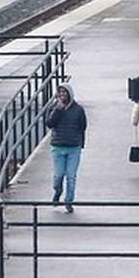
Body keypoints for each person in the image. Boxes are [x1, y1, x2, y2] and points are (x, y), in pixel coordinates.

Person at [42, 84, 87, 214]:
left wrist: (80, 143)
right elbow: (49, 124)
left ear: (70, 94)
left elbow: (82, 126)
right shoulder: (54, 108)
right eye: (60, 93)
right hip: (58, 147)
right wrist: (58, 110)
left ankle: (69, 202)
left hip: (74, 147)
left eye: (65, 93)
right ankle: (57, 191)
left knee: (71, 176)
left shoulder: (78, 110)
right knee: (59, 175)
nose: (62, 96)